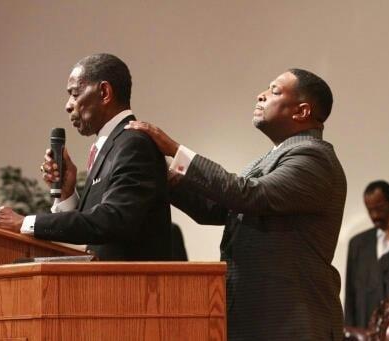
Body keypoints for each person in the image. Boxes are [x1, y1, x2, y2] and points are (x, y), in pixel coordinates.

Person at [126, 69, 346, 340]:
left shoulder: (314, 157)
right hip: (259, 319)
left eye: (274, 91)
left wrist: (176, 150)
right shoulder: (269, 159)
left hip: (292, 323)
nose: (261, 95)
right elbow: (216, 208)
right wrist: (158, 173)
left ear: (301, 112)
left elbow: (250, 195)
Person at [0, 53, 172, 261]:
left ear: (104, 92)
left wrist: (24, 223)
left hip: (132, 289)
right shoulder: (114, 144)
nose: (68, 105)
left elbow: (112, 221)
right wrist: (67, 194)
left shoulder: (133, 144)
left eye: (74, 94)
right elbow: (93, 231)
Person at [344, 180, 389, 328]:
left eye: (379, 208)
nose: (375, 216)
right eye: (370, 210)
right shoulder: (357, 244)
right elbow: (350, 295)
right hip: (367, 329)